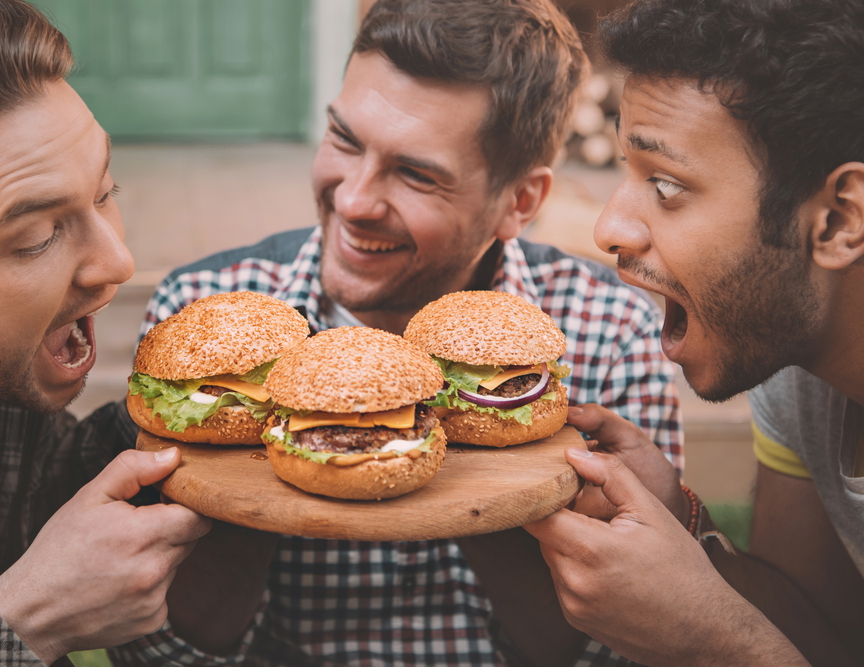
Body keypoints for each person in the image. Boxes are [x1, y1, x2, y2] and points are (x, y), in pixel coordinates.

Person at [111, 1, 682, 665]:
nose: (352, 200)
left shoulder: (611, 328)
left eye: (416, 173)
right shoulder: (203, 316)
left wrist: (472, 452)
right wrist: (280, 423)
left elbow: (626, 650)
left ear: (518, 201)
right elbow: (154, 650)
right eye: (345, 140)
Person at [0, 2, 211, 665]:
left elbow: (51, 483)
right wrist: (27, 620)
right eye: (37, 236)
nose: (118, 262)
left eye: (105, 190)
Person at [524, 0, 864, 665]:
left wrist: (718, 645)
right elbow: (827, 632)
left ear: (836, 221)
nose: (608, 229)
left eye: (669, 185)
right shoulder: (795, 371)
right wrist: (684, 524)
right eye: (627, 169)